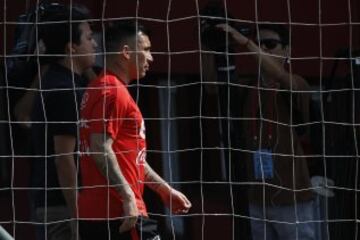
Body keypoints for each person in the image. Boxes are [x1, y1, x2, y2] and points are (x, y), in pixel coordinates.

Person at [78, 21, 192, 240]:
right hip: (121, 213)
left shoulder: (100, 88)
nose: (151, 58)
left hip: (102, 213)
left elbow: (131, 157)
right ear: (126, 52)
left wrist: (163, 190)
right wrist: (128, 196)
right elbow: (100, 148)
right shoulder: (112, 91)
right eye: (146, 50)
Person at [217, 23, 315, 240]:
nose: (263, 49)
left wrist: (246, 43)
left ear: (287, 51)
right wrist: (210, 46)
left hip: (292, 198)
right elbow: (211, 86)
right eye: (259, 44)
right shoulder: (248, 88)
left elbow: (279, 75)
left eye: (270, 44)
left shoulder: (297, 83)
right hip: (257, 198)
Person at [30, 3, 97, 240]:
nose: (95, 44)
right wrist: (77, 214)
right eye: (89, 38)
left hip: (64, 203)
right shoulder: (64, 89)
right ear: (71, 48)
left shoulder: (69, 81)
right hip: (64, 207)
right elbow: (64, 158)